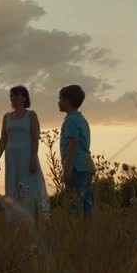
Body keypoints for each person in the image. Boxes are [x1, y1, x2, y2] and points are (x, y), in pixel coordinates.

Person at [0, 86, 50, 222]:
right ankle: (15, 220)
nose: (13, 98)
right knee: (13, 186)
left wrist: (33, 158)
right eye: (11, 95)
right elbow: (3, 138)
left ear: (24, 97)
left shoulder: (31, 115)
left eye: (16, 95)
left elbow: (35, 137)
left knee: (29, 185)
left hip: (27, 156)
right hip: (11, 157)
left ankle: (35, 217)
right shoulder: (6, 117)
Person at [58, 84, 93, 218]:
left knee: (74, 204)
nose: (58, 102)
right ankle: (87, 233)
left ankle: (76, 234)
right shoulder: (81, 119)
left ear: (67, 101)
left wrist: (67, 169)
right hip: (86, 165)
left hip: (76, 167)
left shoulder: (70, 121)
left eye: (60, 99)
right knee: (86, 204)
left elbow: (73, 144)